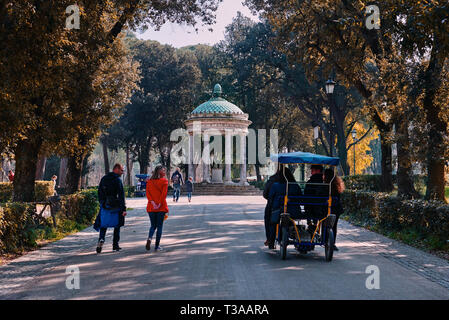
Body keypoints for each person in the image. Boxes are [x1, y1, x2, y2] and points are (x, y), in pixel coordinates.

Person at [267, 167, 302, 249]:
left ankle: (271, 241)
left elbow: (270, 198)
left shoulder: (275, 186)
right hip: (295, 211)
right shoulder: (295, 186)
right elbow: (300, 198)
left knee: (272, 222)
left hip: (279, 211)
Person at [95, 163, 127, 253]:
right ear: (116, 169)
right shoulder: (117, 180)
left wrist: (102, 202)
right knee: (117, 225)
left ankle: (101, 239)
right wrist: (123, 208)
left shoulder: (104, 179)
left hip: (105, 205)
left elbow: (99, 192)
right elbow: (121, 195)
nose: (122, 172)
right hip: (116, 206)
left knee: (103, 224)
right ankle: (115, 245)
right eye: (121, 170)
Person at [146, 165, 169, 252]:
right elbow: (164, 194)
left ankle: (149, 238)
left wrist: (152, 202)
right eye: (163, 170)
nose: (164, 172)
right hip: (161, 207)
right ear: (160, 172)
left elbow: (148, 194)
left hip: (151, 207)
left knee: (153, 225)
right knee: (159, 226)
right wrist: (159, 204)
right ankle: (157, 246)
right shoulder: (164, 181)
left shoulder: (150, 182)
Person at [324, 168, 345, 251]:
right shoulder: (337, 185)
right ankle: (332, 243)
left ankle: (325, 240)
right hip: (336, 209)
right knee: (334, 225)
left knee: (324, 224)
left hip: (326, 209)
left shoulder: (324, 185)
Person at [304, 165, 327, 232]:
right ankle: (315, 224)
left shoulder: (309, 183)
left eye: (312, 171)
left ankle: (310, 223)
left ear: (318, 171)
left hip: (309, 210)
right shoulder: (325, 183)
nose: (311, 173)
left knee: (309, 205)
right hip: (321, 210)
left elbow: (305, 196)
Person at [263, 165, 282, 247]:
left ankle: (270, 239)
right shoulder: (291, 181)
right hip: (291, 207)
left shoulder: (272, 180)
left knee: (268, 218)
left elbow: (266, 194)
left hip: (274, 206)